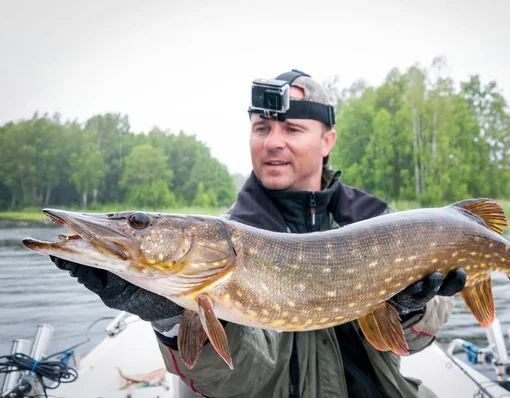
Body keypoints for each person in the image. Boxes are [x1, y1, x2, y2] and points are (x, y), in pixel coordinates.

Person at [51, 69, 466, 398]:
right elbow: (237, 382)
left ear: (327, 141)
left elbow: (415, 342)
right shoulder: (221, 243)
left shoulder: (382, 222)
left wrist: (411, 308)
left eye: (292, 129)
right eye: (262, 128)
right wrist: (172, 318)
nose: (273, 142)